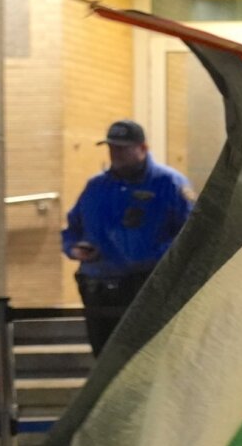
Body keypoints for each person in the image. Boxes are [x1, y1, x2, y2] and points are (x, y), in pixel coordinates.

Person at [62, 120, 195, 355]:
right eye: (112, 147)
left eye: (122, 148)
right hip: (98, 287)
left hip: (146, 285)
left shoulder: (169, 184)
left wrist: (154, 257)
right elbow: (73, 227)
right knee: (103, 357)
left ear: (142, 148)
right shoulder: (96, 186)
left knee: (144, 358)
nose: (116, 153)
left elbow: (191, 235)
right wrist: (74, 248)